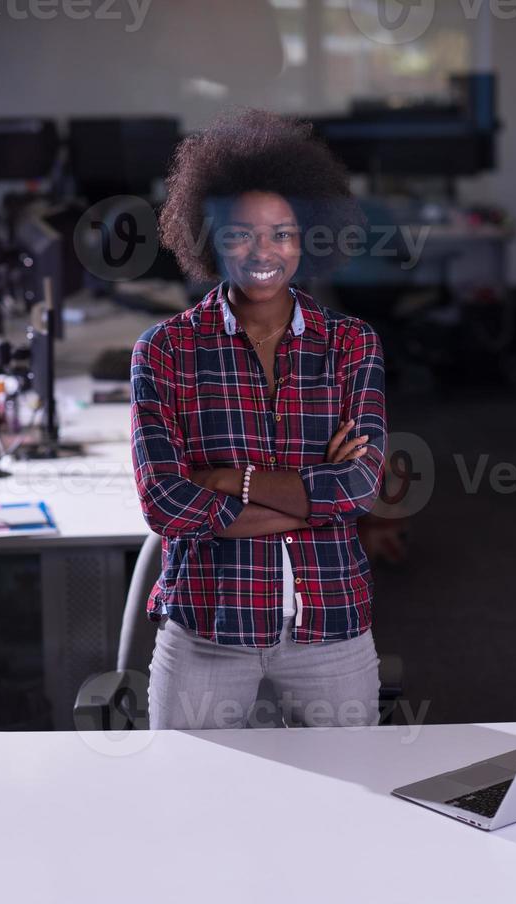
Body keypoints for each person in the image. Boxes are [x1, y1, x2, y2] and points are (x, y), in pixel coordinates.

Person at [130, 106, 388, 730]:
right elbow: (165, 502)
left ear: (307, 237)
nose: (263, 251)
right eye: (240, 233)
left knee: (350, 811)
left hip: (330, 626)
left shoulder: (350, 344)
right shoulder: (164, 350)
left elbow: (358, 490)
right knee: (189, 807)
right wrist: (306, 497)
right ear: (208, 238)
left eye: (283, 232)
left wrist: (224, 480)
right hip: (207, 627)